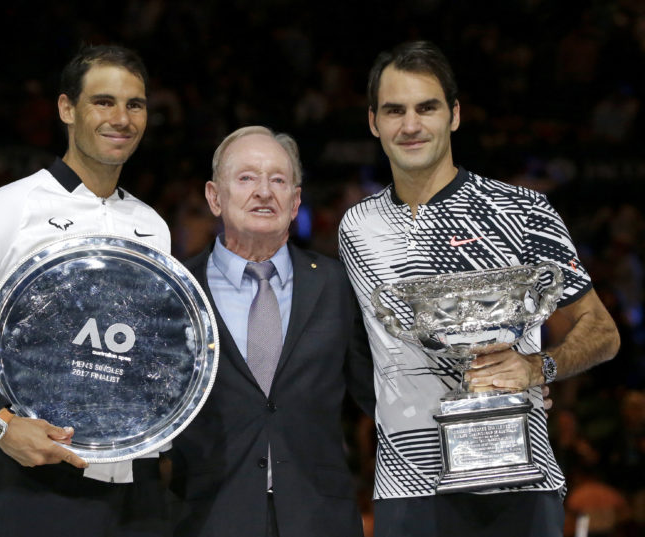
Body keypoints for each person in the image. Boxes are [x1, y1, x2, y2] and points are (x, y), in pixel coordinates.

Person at [338, 41, 621, 537]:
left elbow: (602, 329)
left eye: (427, 107)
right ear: (372, 122)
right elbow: (361, 352)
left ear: (454, 115)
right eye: (394, 110)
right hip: (408, 488)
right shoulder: (355, 228)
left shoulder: (523, 210)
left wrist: (538, 368)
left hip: (522, 481)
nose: (410, 125)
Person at [0, 45, 171, 537]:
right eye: (104, 102)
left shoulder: (152, 225)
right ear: (67, 109)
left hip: (139, 483)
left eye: (135, 104)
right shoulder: (13, 206)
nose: (122, 118)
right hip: (40, 477)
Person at [167, 126, 375, 537]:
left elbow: (379, 392)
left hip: (321, 519)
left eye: (278, 180)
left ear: (295, 201)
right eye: (246, 178)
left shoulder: (337, 285)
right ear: (214, 197)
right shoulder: (175, 289)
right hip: (206, 518)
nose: (264, 191)